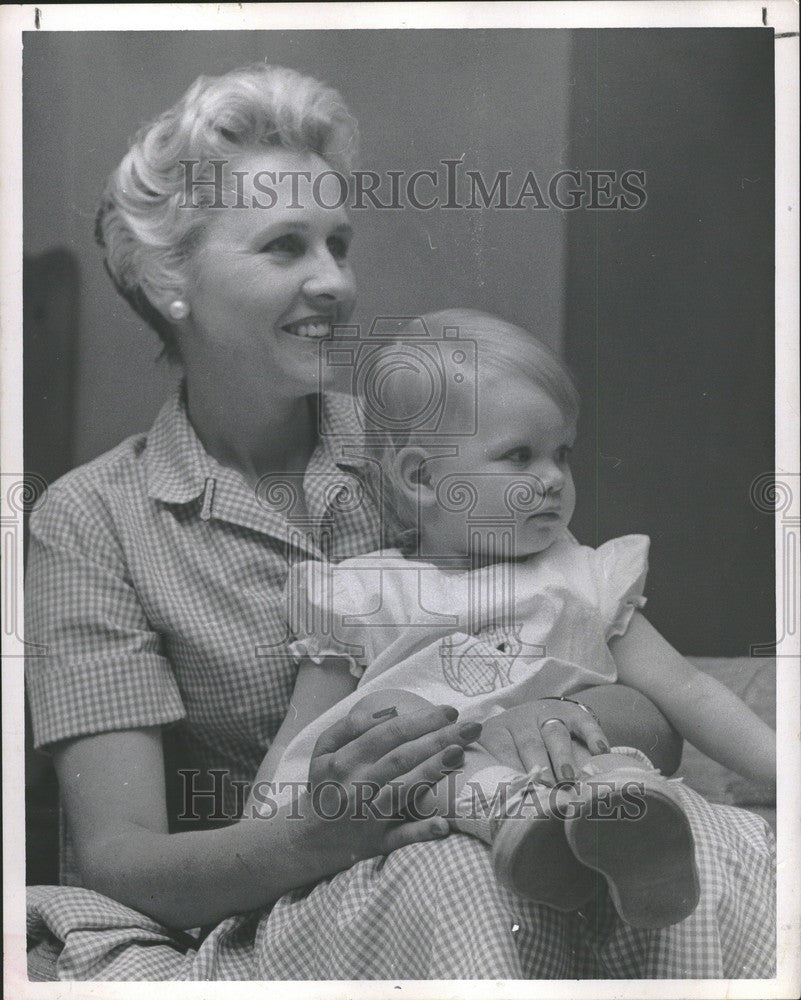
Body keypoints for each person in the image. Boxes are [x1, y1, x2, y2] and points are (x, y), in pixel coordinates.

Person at [24, 63, 775, 981]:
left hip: (547, 834)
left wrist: (555, 715)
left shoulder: (438, 442)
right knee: (469, 888)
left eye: (339, 242)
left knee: (718, 868)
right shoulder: (93, 520)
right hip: (299, 902)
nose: (335, 281)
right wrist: (310, 836)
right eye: (285, 246)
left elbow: (610, 658)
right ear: (169, 275)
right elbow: (119, 854)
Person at [262, 309, 776, 929]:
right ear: (422, 477)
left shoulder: (583, 577)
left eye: (562, 454)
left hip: (570, 779)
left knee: (612, 770)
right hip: (439, 803)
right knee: (392, 719)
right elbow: (305, 737)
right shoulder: (362, 593)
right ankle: (525, 832)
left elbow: (686, 688)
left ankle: (632, 852)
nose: (554, 479)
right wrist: (256, 845)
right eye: (520, 456)